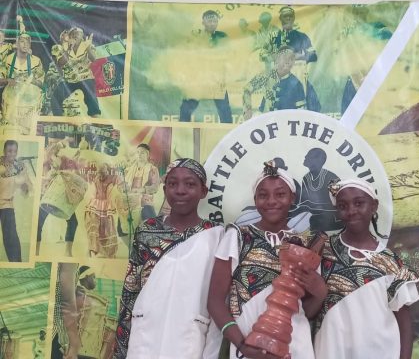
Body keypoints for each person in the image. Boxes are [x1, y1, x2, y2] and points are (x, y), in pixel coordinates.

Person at [208, 160, 326, 359]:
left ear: (292, 198)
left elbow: (306, 311)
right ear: (255, 199)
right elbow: (215, 302)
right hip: (249, 345)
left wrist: (320, 293)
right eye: (263, 195)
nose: (271, 201)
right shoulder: (238, 236)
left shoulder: (306, 245)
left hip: (295, 347)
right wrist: (242, 345)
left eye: (280, 194)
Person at [114, 158, 224, 359]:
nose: (180, 190)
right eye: (173, 184)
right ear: (164, 190)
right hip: (145, 334)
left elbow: (219, 298)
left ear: (203, 191)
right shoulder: (147, 230)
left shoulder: (215, 235)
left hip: (189, 338)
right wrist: (121, 349)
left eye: (190, 184)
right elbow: (131, 290)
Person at [313, 179, 419, 359]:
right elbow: (309, 305)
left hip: (381, 352)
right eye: (343, 206)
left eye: (359, 203)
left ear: (374, 206)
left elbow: (404, 320)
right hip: (332, 350)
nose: (351, 211)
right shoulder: (323, 252)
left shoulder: (391, 262)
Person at [182, 10, 233, 123]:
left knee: (224, 109)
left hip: (216, 79)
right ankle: (182, 128)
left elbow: (227, 57)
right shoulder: (196, 35)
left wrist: (223, 77)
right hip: (199, 78)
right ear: (203, 22)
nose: (212, 23)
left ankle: (229, 130)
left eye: (215, 21)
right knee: (187, 107)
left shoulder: (222, 36)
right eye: (209, 21)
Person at [242, 46, 305, 120]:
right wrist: (248, 109)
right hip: (265, 121)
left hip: (286, 123)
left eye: (291, 59)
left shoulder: (296, 84)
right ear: (277, 59)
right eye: (285, 57)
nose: (288, 61)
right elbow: (247, 89)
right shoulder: (266, 76)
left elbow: (301, 111)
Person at [116, 143, 160, 240]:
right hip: (130, 201)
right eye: (138, 152)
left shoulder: (152, 169)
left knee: (152, 227)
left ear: (148, 155)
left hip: (144, 200)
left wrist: (143, 190)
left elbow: (155, 187)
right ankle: (130, 245)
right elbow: (121, 183)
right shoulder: (130, 169)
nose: (139, 155)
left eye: (142, 153)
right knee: (122, 229)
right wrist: (123, 188)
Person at [54, 27, 101, 117]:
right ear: (70, 36)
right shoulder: (65, 46)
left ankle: (95, 115)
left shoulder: (86, 44)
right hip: (70, 79)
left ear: (82, 36)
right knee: (56, 95)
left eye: (78, 34)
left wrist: (88, 48)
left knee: (90, 93)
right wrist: (68, 49)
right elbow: (60, 63)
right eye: (73, 34)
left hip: (85, 77)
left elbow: (93, 59)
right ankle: (58, 118)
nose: (75, 35)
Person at [0, 140, 32, 262]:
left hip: (7, 204)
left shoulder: (19, 166)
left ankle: (16, 263)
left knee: (11, 237)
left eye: (14, 151)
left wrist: (25, 187)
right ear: (4, 151)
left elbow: (26, 187)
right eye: (9, 151)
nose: (12, 154)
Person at [299, 148, 340, 232]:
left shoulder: (332, 178)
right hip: (313, 215)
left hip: (331, 217)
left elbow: (339, 204)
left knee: (314, 221)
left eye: (309, 155)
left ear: (319, 160)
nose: (305, 157)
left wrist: (312, 206)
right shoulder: (306, 178)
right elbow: (304, 203)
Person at [84, 162, 119, 258]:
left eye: (104, 171)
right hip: (95, 204)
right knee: (93, 226)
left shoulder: (111, 179)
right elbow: (93, 191)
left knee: (107, 228)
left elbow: (112, 191)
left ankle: (109, 252)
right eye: (100, 172)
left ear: (107, 171)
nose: (102, 175)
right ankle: (93, 251)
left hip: (106, 205)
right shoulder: (95, 179)